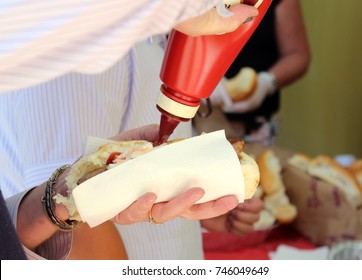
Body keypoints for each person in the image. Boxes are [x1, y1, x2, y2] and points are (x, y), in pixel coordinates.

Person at [1, 1, 261, 259]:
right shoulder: (83, 28)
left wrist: (194, 200)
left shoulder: (158, 21)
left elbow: (63, 198)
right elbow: (81, 225)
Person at [196, 0, 311, 146]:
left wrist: (267, 82)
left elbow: (298, 54)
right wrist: (195, 79)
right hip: (195, 122)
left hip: (256, 128)